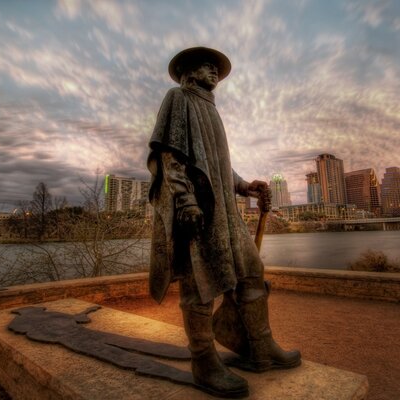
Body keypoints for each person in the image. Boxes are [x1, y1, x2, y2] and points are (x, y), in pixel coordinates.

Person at [147, 47, 300, 398]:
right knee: (198, 287)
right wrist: (185, 202)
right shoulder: (178, 99)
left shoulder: (212, 111)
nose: (214, 72)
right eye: (206, 66)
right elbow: (170, 157)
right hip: (197, 212)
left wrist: (245, 185)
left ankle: (260, 348)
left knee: (251, 272)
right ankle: (203, 360)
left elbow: (216, 165)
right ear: (187, 71)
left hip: (226, 214)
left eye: (216, 68)